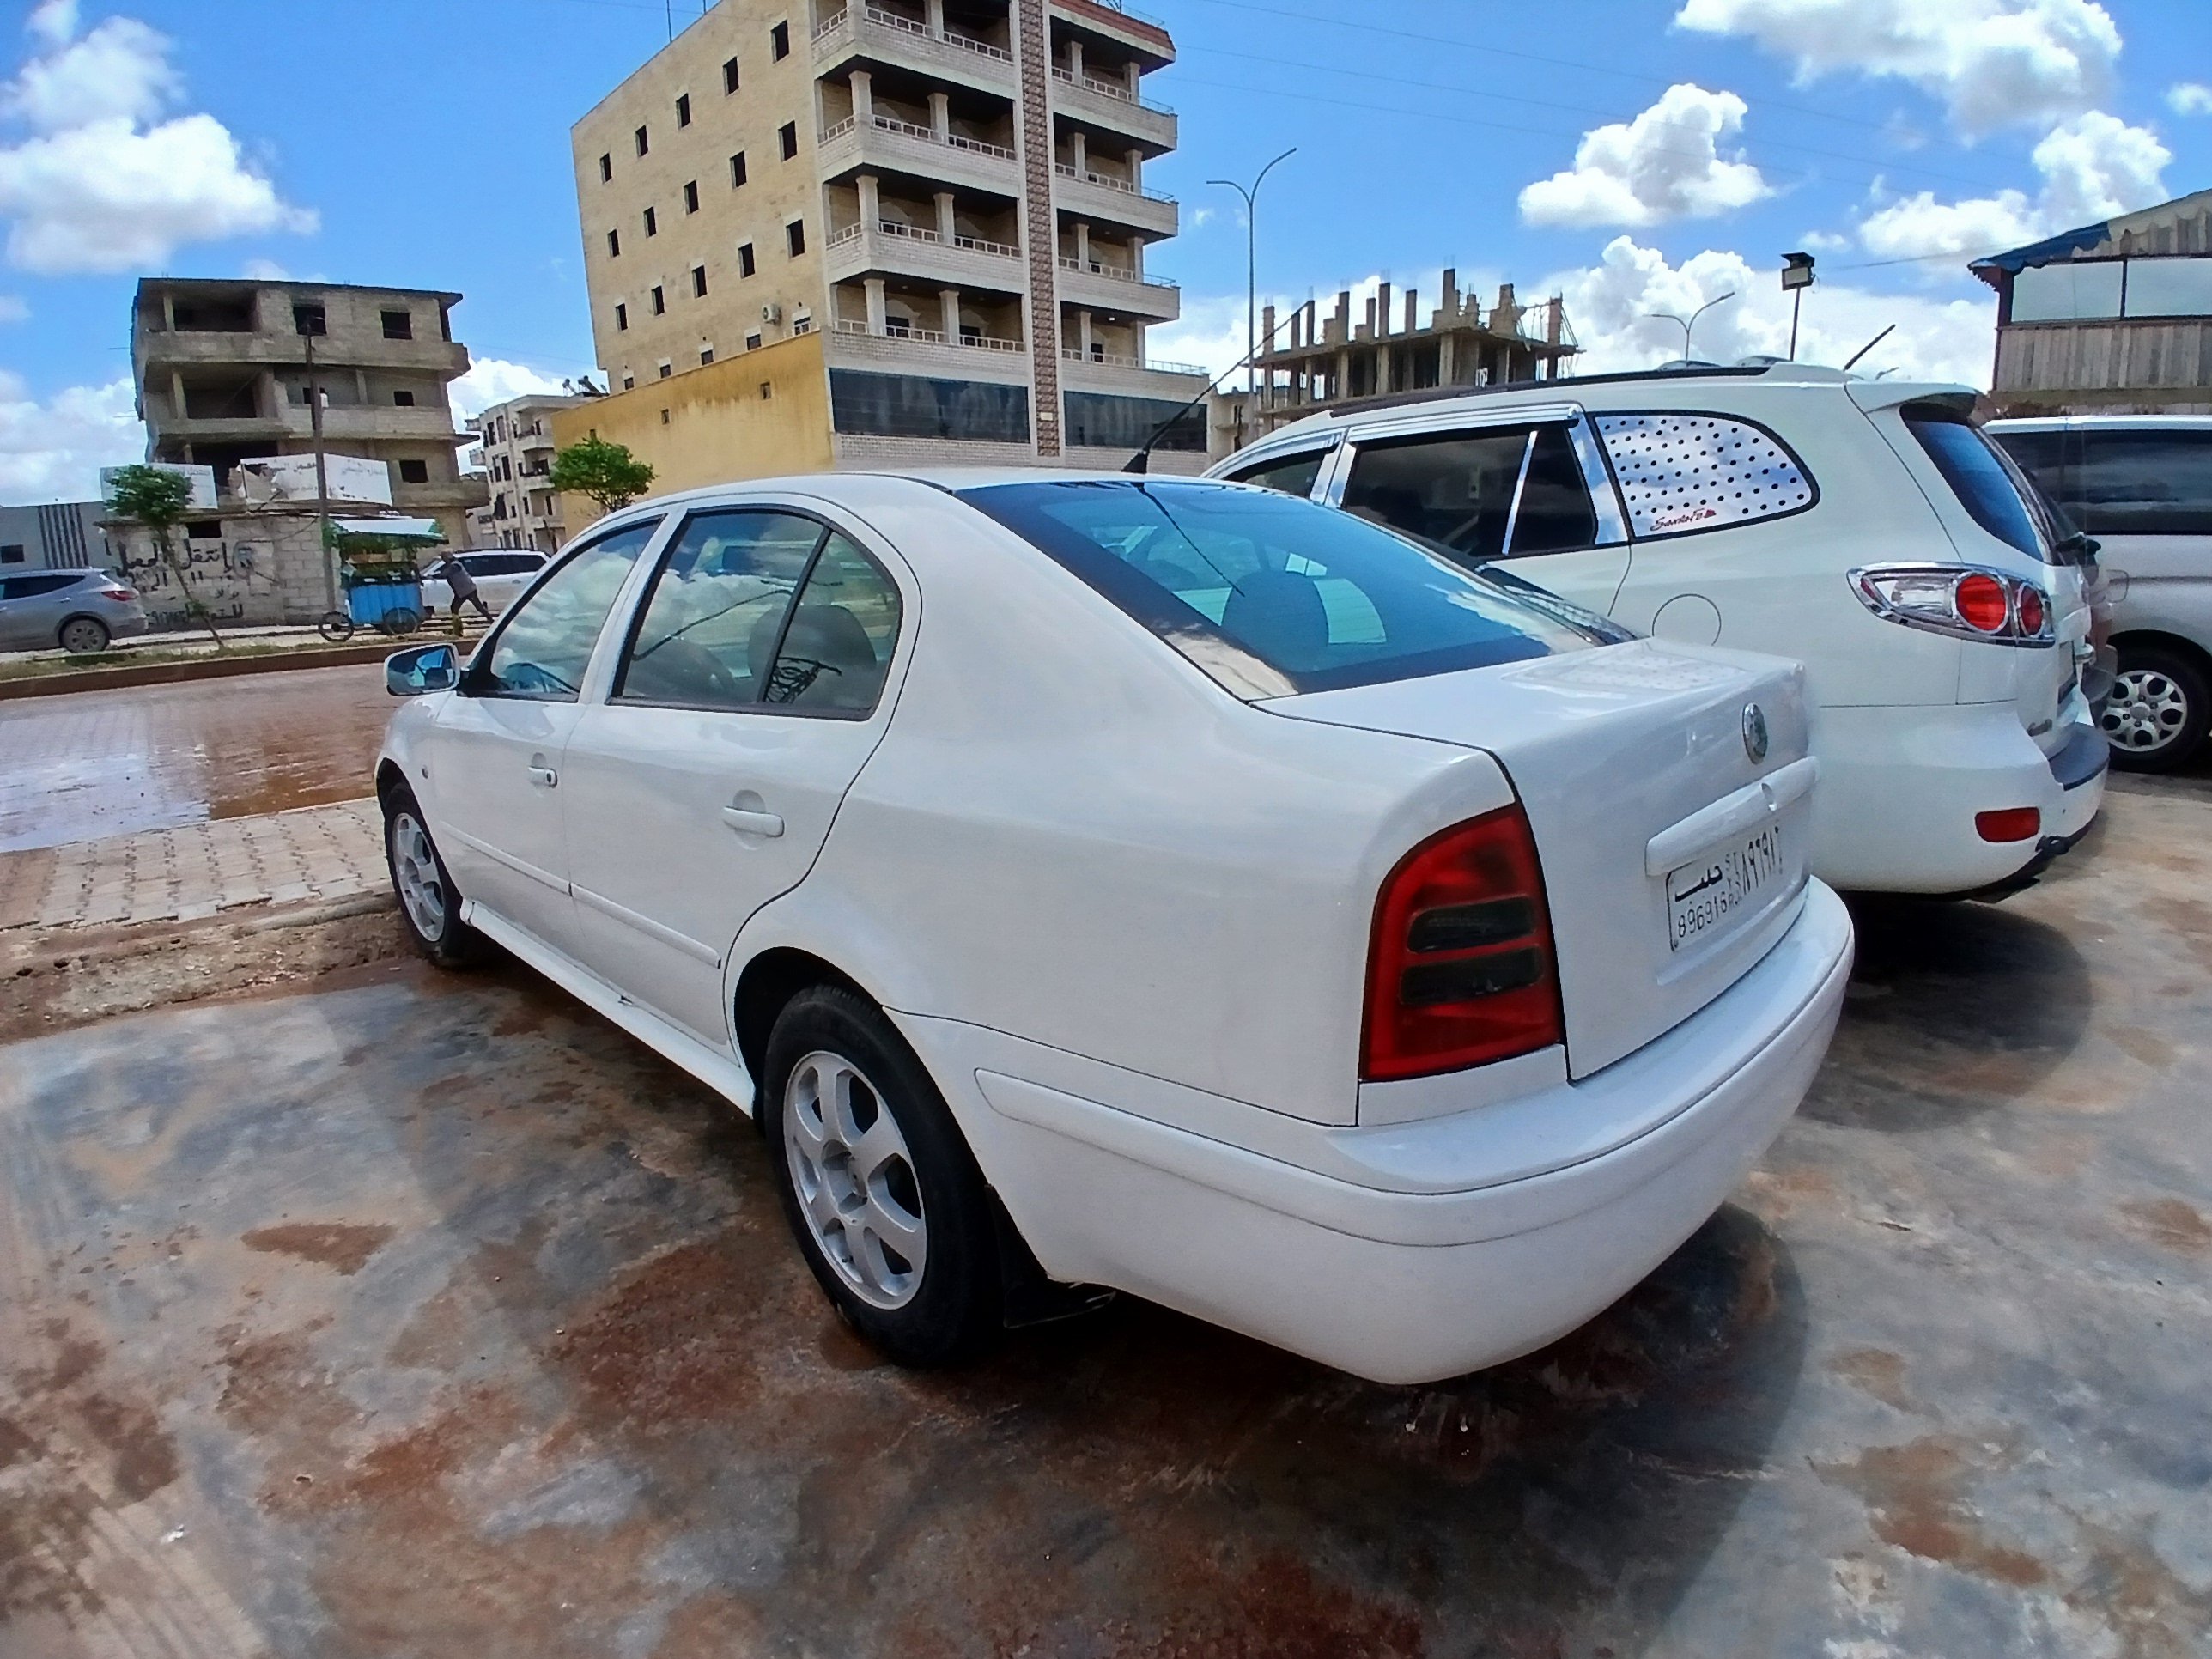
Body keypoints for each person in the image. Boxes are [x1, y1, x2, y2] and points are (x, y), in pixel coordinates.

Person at [422, 551, 492, 630]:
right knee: (473, 606)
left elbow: (445, 573)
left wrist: (434, 575)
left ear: (448, 557)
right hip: (463, 590)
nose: (443, 560)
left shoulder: (454, 565)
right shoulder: (453, 564)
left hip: (466, 590)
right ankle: (459, 626)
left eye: (444, 558)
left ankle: (458, 627)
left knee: (459, 607)